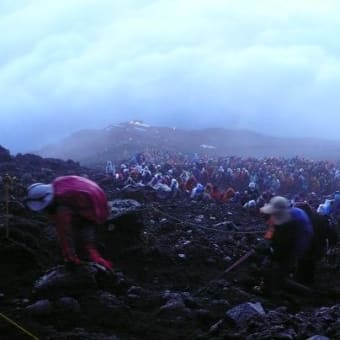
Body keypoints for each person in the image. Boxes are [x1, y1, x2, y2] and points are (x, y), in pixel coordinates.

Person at [24, 175, 113, 270]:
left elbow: (64, 233)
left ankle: (100, 264)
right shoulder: (58, 182)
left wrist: (70, 259)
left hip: (94, 208)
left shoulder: (62, 206)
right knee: (81, 235)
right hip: (98, 197)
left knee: (86, 245)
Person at [259, 196, 314, 293]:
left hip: (295, 247)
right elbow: (274, 230)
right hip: (293, 243)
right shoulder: (286, 215)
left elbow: (283, 246)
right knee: (274, 266)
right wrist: (268, 241)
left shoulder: (290, 222)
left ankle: (307, 293)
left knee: (278, 274)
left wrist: (271, 251)